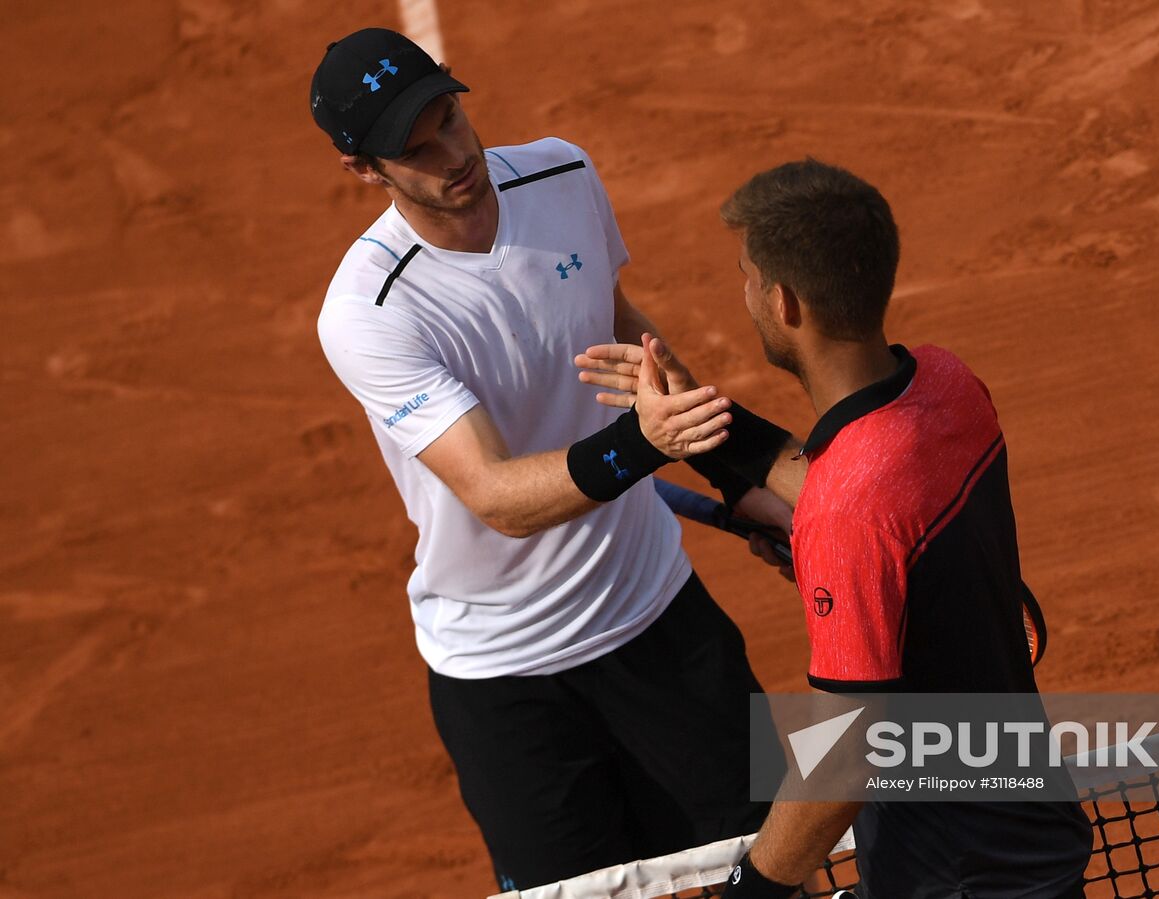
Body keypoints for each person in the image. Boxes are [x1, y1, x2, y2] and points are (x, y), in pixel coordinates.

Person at [307, 27, 783, 891]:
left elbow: (625, 333)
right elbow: (494, 494)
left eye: (450, 118)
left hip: (657, 618)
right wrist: (645, 442)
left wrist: (734, 478)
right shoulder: (370, 313)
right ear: (365, 172)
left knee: (780, 867)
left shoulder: (563, 173)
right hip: (506, 678)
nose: (453, 154)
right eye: (416, 151)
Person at [578, 160, 1092, 897]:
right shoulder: (950, 385)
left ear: (783, 302)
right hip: (1030, 844)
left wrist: (754, 890)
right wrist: (695, 410)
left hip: (955, 878)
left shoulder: (847, 512)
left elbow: (849, 751)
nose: (746, 293)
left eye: (748, 277)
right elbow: (872, 496)